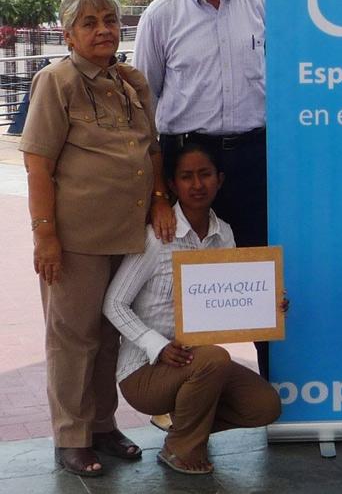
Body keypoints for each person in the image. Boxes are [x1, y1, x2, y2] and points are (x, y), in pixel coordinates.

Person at [19, 0, 174, 477]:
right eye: (89, 23)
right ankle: (72, 436)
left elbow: (151, 149)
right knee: (73, 338)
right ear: (68, 35)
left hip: (128, 236)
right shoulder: (56, 81)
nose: (104, 29)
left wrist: (159, 198)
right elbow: (38, 165)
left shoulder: (130, 81)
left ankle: (103, 427)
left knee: (110, 337)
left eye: (109, 20)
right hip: (77, 240)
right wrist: (45, 237)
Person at [133, 0, 269, 374]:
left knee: (260, 278)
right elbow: (144, 113)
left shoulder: (264, 5)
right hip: (187, 162)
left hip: (253, 160)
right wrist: (158, 193)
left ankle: (273, 391)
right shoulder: (161, 15)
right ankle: (184, 399)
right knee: (181, 286)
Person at [103, 142, 282, 475]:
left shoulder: (223, 234)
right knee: (215, 358)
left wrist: (267, 306)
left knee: (265, 405)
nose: (197, 185)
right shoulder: (157, 236)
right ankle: (181, 450)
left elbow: (231, 301)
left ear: (220, 179)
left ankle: (185, 428)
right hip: (144, 371)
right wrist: (158, 345)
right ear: (173, 184)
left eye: (205, 174)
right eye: (187, 177)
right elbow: (113, 303)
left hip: (199, 367)